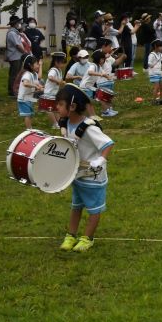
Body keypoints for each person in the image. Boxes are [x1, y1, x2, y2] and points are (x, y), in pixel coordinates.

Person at [56, 84, 115, 252]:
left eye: (60, 104)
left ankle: (88, 238)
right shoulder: (67, 124)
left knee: (94, 209)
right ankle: (71, 235)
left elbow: (108, 143)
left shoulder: (89, 128)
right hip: (78, 176)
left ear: (72, 106)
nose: (56, 107)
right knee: (76, 206)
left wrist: (101, 160)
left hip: (93, 177)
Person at [5, 16, 29, 98]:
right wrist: (25, 52)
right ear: (15, 24)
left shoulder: (15, 32)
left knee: (17, 74)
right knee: (14, 75)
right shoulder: (12, 33)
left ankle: (15, 90)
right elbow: (18, 45)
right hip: (15, 57)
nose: (20, 24)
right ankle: (12, 91)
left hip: (17, 56)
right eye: (18, 23)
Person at [17, 55, 43, 129]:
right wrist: (35, 86)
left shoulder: (34, 74)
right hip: (23, 98)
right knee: (27, 115)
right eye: (36, 64)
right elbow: (25, 83)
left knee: (30, 114)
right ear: (30, 65)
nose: (38, 66)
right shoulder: (27, 74)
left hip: (29, 98)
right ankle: (29, 130)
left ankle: (30, 128)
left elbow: (37, 83)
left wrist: (41, 87)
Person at [43, 51, 66, 123]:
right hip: (49, 93)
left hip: (54, 93)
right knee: (49, 110)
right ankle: (54, 123)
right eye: (61, 62)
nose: (63, 64)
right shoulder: (53, 70)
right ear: (56, 62)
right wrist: (58, 81)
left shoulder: (59, 70)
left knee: (55, 109)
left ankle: (59, 123)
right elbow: (50, 77)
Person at [146, 39, 162, 104]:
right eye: (160, 46)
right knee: (157, 87)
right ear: (155, 46)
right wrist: (151, 65)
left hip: (159, 73)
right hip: (153, 73)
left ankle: (161, 99)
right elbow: (149, 63)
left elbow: (159, 64)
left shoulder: (160, 54)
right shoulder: (152, 55)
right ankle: (154, 101)